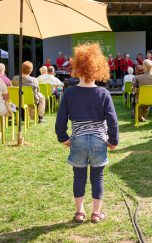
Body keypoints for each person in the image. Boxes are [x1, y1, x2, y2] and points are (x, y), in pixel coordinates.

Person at [55, 42, 118, 224]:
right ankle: (96, 213)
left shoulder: (69, 93)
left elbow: (60, 120)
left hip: (78, 140)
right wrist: (113, 140)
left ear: (77, 68)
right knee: (97, 177)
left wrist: (64, 138)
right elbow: (113, 121)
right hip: (99, 140)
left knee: (79, 176)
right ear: (99, 69)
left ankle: (79, 212)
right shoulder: (104, 93)